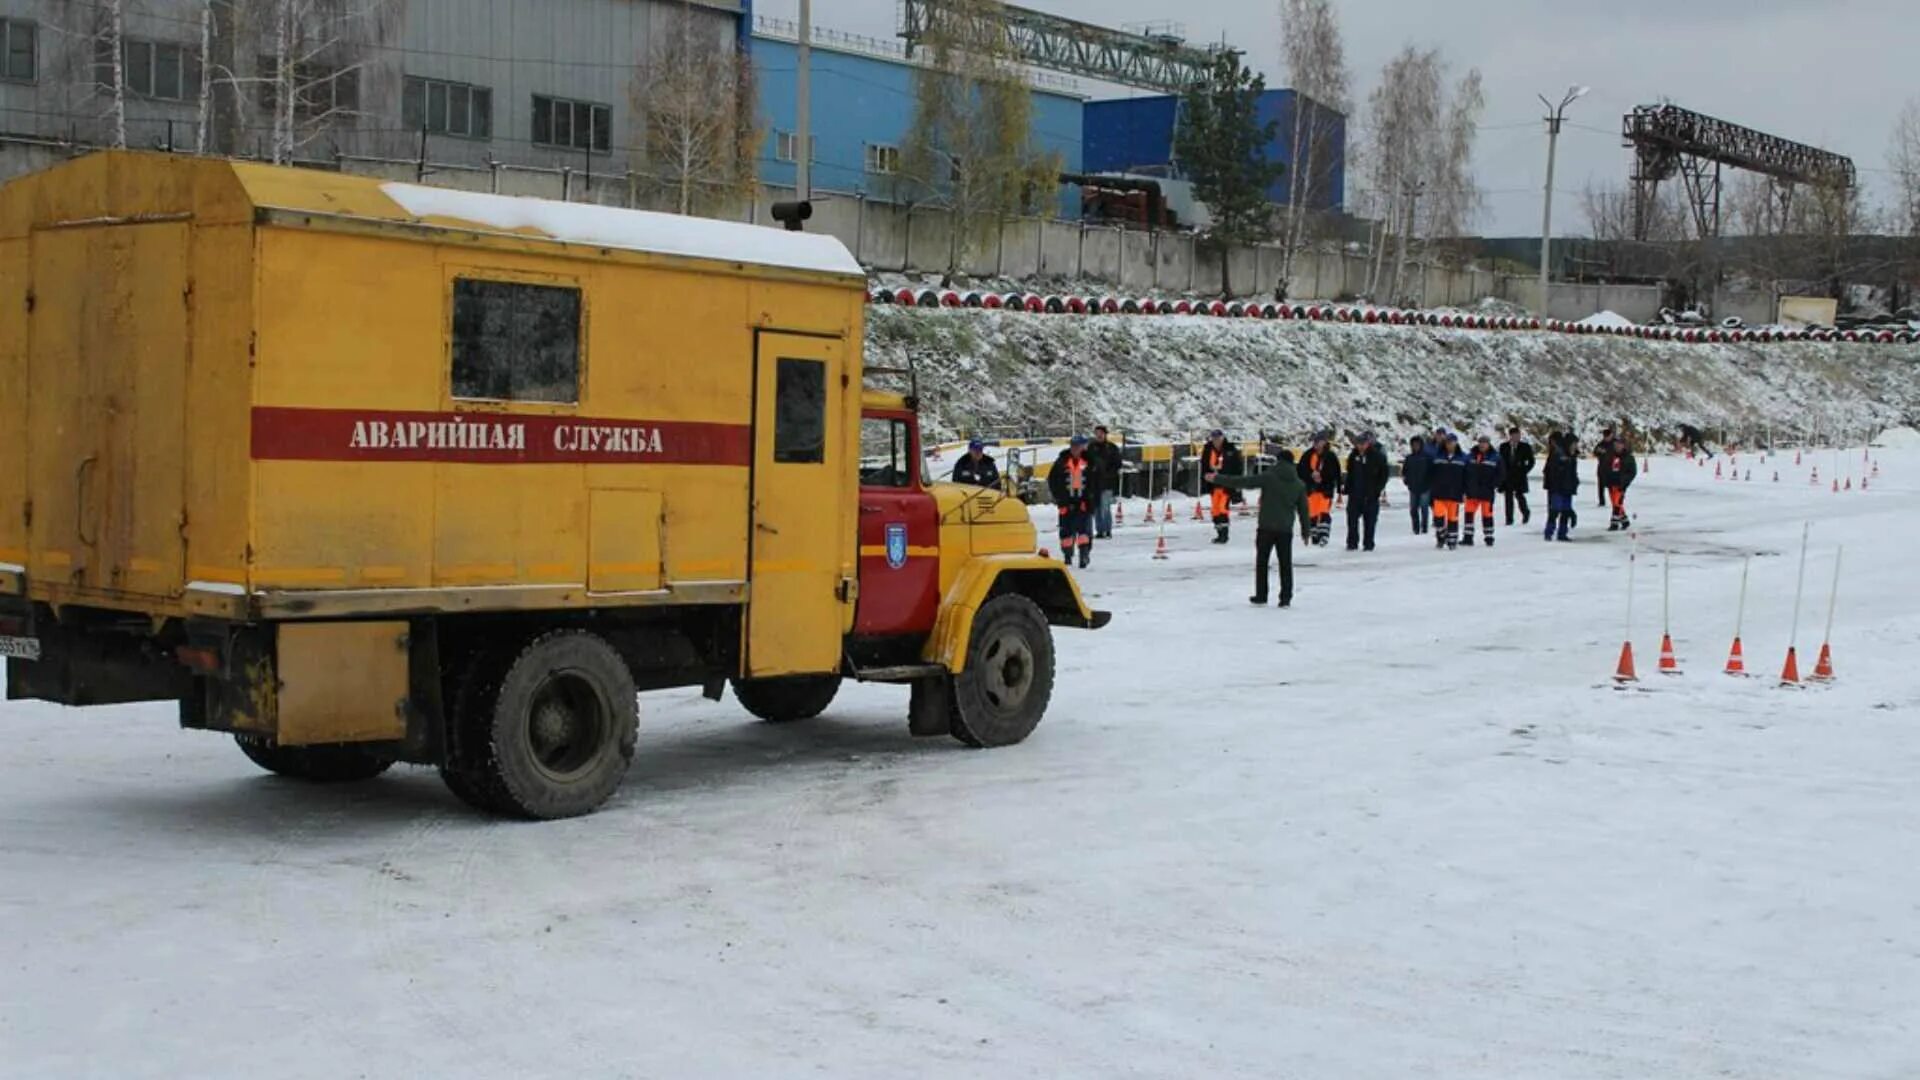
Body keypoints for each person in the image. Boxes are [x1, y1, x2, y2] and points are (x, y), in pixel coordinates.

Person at [1208, 448, 1311, 608]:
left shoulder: (1269, 477)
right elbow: (1304, 510)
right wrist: (1306, 531)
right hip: (1285, 529)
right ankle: (1285, 598)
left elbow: (1245, 482)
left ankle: (1261, 595)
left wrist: (1218, 478)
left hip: (1266, 527)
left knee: (1262, 562)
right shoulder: (1299, 485)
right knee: (1285, 563)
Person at [1048, 435, 1101, 567]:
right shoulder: (1061, 461)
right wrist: (1060, 500)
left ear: (1083, 447)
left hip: (1084, 502)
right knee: (1066, 531)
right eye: (1073, 446)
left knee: (1084, 531)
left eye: (1078, 446)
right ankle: (1067, 554)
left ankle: (1084, 555)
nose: (1075, 449)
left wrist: (1091, 501)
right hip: (1066, 502)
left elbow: (1096, 483)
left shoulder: (1091, 462)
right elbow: (1053, 481)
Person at [1342, 431, 1390, 552]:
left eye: (1363, 444)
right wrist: (1347, 488)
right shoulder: (1353, 456)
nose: (1361, 446)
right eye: (1359, 444)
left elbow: (1384, 474)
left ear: (1368, 444)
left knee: (1370, 522)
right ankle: (1352, 543)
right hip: (1355, 494)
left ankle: (1368, 544)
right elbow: (1350, 473)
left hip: (1370, 495)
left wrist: (1377, 489)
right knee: (1352, 520)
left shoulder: (1377, 456)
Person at [1296, 430, 1342, 547]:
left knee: (1323, 512)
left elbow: (1336, 473)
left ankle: (1324, 535)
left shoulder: (1330, 456)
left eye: (1319, 442)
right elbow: (1301, 470)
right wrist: (1311, 475)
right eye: (1315, 442)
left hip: (1325, 489)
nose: (1316, 444)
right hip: (1310, 489)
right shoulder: (1308, 455)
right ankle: (1314, 535)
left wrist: (1324, 477)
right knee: (1312, 513)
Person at [1198, 429, 1243, 544]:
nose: (1216, 441)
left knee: (1223, 508)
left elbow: (1238, 468)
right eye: (1214, 439)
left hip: (1226, 484)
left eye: (1218, 439)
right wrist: (1204, 480)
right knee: (1215, 510)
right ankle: (1219, 532)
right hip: (1213, 485)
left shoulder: (1230, 450)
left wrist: (1237, 485)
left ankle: (1224, 534)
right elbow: (1204, 466)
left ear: (1222, 438)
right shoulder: (1208, 450)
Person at [1428, 432, 1469, 550]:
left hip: (1455, 493)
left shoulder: (1463, 458)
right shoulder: (1437, 457)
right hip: (1439, 493)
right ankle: (1441, 537)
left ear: (1456, 443)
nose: (1450, 445)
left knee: (1452, 519)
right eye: (1447, 443)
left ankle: (1452, 540)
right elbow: (1431, 473)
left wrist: (1466, 491)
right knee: (1438, 519)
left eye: (1452, 443)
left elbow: (1467, 476)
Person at [1463, 434, 1502, 547]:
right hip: (1472, 491)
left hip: (1486, 491)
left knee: (1487, 515)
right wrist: (1466, 486)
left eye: (1484, 443)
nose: (1482, 445)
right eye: (1480, 442)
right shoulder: (1470, 456)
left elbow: (1501, 474)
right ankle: (1468, 537)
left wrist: (1493, 485)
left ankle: (1489, 537)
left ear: (1488, 444)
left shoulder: (1496, 457)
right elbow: (1465, 472)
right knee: (1469, 514)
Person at [1541, 431, 1580, 542]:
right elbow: (1552, 472)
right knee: (1555, 510)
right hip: (1558, 488)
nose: (1575, 446)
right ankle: (1549, 532)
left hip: (1568, 488)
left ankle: (1562, 533)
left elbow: (1573, 473)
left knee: (1566, 511)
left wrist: (1574, 484)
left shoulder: (1572, 456)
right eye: (1574, 444)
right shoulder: (1558, 455)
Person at [1089, 425, 1124, 539]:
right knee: (1097, 508)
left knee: (1105, 507)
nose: (1098, 435)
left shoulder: (1111, 448)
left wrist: (1109, 474)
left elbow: (1117, 464)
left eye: (1100, 433)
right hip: (1094, 483)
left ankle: (1107, 530)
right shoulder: (1091, 447)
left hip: (1107, 483)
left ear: (1105, 434)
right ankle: (1099, 530)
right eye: (1096, 433)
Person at [1499, 426, 1536, 526]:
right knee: (1508, 498)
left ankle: (1525, 512)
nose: (1516, 437)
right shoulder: (1504, 447)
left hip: (1519, 475)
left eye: (1518, 435)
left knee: (1520, 496)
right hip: (1507, 476)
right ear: (1510, 436)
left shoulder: (1525, 447)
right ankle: (1509, 519)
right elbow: (1500, 461)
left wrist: (1525, 470)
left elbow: (1531, 461)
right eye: (1514, 435)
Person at [1603, 434, 1638, 531]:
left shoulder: (1628, 457)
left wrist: (1625, 481)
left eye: (1619, 444)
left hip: (1621, 484)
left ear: (1623, 445)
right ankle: (1624, 520)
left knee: (1617, 503)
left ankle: (1614, 523)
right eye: (1616, 444)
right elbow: (1605, 467)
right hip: (1611, 483)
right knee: (1615, 502)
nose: (1617, 446)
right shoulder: (1610, 455)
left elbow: (1632, 472)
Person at [1402, 435, 1434, 534]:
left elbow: (1432, 471)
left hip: (1425, 486)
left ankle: (1424, 528)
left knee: (1424, 508)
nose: (1415, 446)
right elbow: (1405, 471)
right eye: (1413, 445)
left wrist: (1429, 483)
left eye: (1417, 444)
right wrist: (1407, 481)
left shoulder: (1427, 457)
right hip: (1413, 487)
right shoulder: (1409, 458)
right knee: (1413, 509)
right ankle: (1415, 528)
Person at [1596, 425, 1616, 509]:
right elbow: (1596, 451)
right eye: (1605, 436)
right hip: (1602, 467)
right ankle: (1601, 501)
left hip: (1612, 468)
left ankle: (1614, 500)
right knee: (1601, 485)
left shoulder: (1615, 443)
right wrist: (1599, 452)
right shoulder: (1601, 444)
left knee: (1612, 485)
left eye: (1608, 436)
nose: (1606, 438)